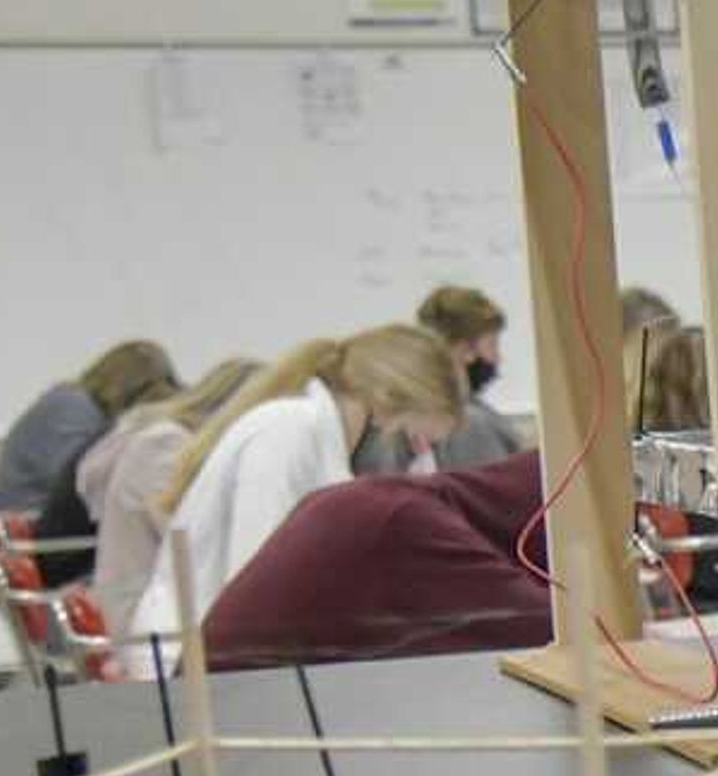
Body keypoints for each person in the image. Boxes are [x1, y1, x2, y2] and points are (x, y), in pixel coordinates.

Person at [133, 328, 463, 638]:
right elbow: (255, 577)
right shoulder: (287, 431)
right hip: (196, 659)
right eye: (410, 440)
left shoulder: (315, 438)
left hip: (233, 651)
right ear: (385, 402)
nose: (412, 461)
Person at [201, 453, 554, 672]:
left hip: (233, 739)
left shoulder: (375, 502)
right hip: (220, 757)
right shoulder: (401, 523)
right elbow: (577, 647)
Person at [78, 359, 258, 636]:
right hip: (148, 626)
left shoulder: (167, 438)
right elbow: (196, 539)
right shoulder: (163, 446)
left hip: (172, 609)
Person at [0, 339, 177, 515]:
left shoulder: (71, 399)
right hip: (38, 527)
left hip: (27, 516)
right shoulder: (75, 410)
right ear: (133, 389)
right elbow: (85, 490)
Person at [398, 284, 522, 474]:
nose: (497, 358)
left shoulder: (423, 412)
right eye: (492, 344)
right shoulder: (469, 424)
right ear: (466, 349)